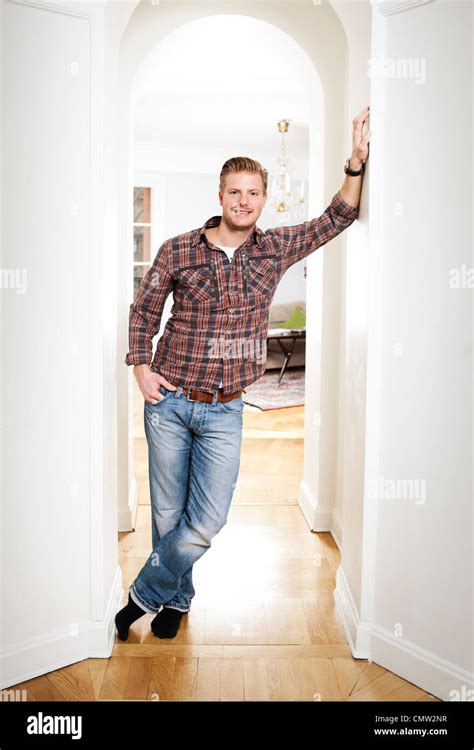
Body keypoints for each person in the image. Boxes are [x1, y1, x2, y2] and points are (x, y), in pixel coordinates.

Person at [115, 106, 371, 640]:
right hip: (168, 400)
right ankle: (176, 603)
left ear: (262, 198)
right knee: (167, 512)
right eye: (235, 192)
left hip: (227, 406)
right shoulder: (177, 249)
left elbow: (336, 218)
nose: (244, 201)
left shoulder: (274, 249)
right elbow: (143, 311)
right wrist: (141, 368)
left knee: (205, 520)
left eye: (254, 193)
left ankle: (143, 594)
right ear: (220, 196)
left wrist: (355, 164)